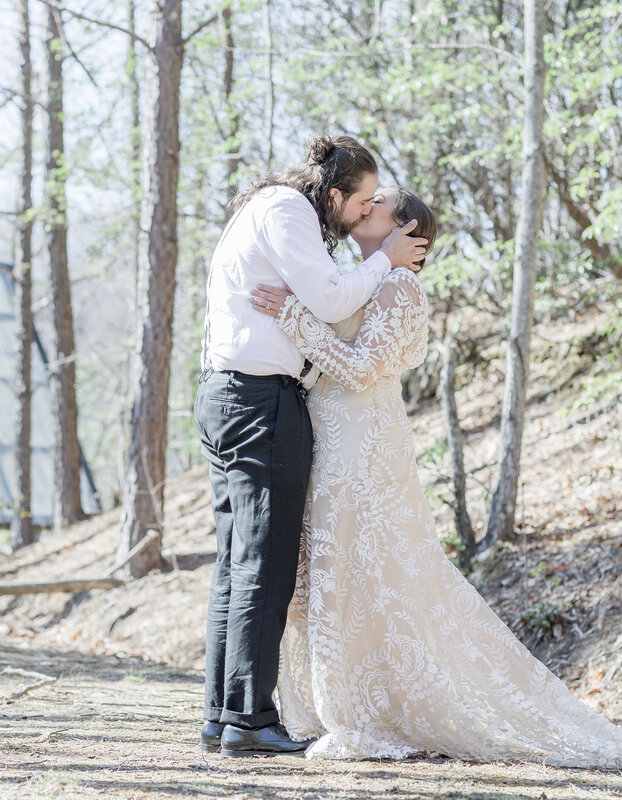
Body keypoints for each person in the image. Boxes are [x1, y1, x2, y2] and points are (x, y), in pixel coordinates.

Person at [249, 188, 622, 774]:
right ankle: (346, 701)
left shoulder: (400, 286)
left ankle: (371, 711)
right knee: (342, 574)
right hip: (332, 443)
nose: (366, 207)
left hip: (365, 449)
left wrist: (293, 318)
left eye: (379, 203)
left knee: (372, 570)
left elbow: (362, 369)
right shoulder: (360, 278)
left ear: (405, 229)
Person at [195, 137, 430, 759]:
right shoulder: (288, 211)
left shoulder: (280, 212)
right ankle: (249, 717)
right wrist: (383, 262)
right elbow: (328, 300)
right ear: (332, 194)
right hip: (259, 401)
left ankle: (225, 715)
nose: (361, 212)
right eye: (360, 201)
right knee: (263, 564)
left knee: (239, 563)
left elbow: (338, 326)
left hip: (235, 395)